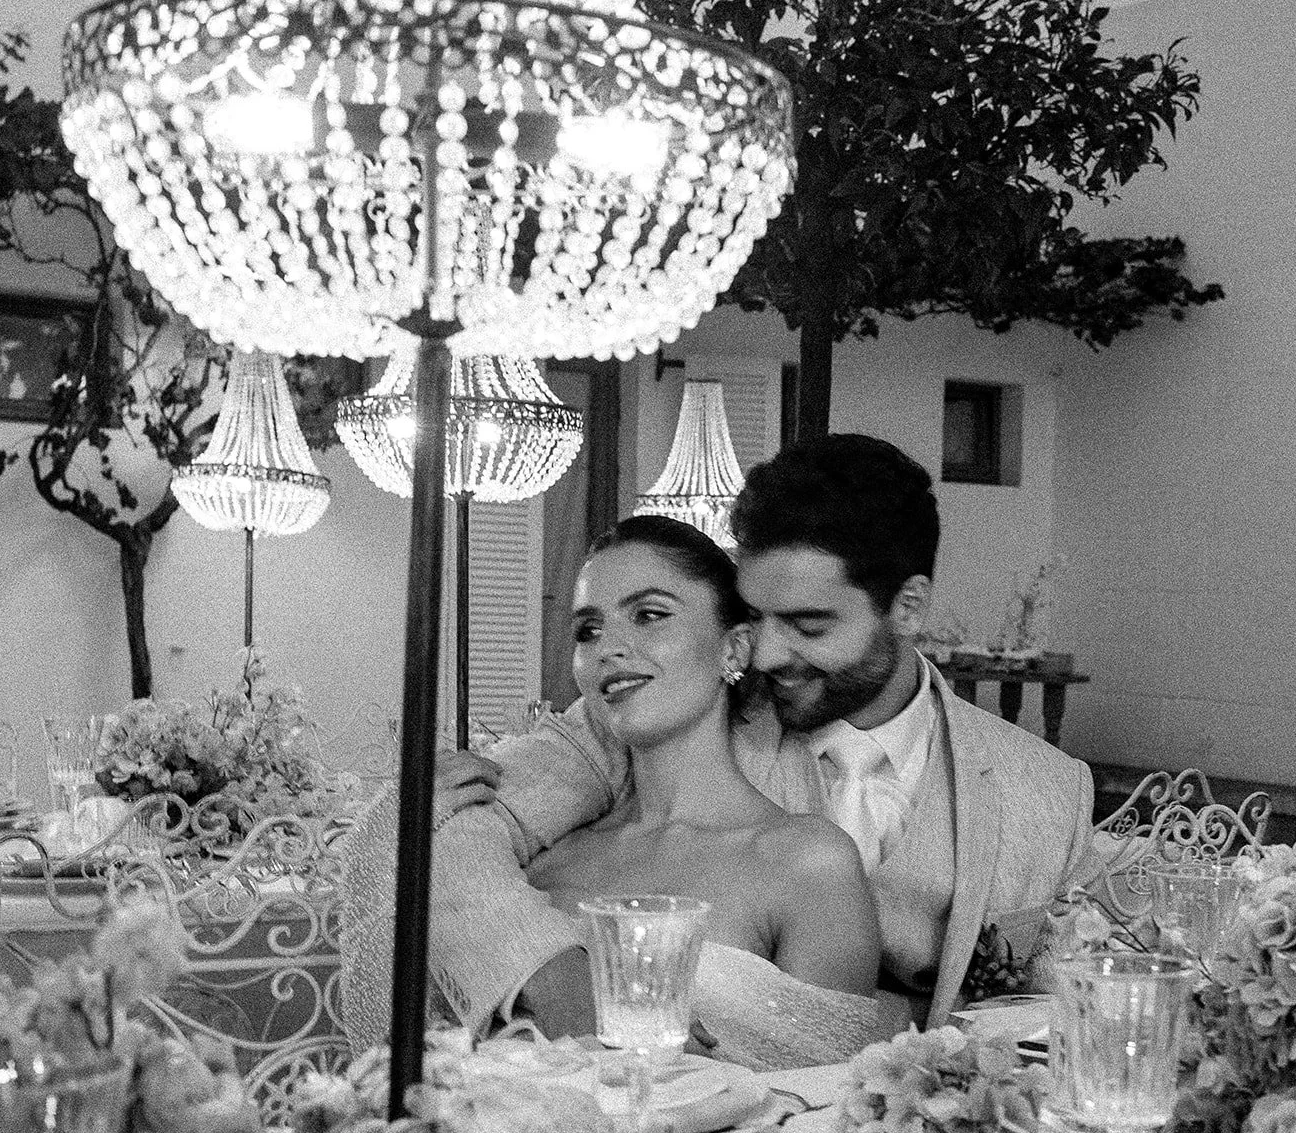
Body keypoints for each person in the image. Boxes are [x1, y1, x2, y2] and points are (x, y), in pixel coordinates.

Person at [418, 433, 1097, 1053]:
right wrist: (559, 982)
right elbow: (447, 831)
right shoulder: (660, 717)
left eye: (808, 624)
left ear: (908, 607)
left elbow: (1061, 1010)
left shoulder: (1046, 791)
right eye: (755, 618)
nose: (767, 654)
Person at [341, 515, 892, 1067]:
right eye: (589, 630)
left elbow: (827, 1103)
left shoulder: (808, 861)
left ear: (735, 649)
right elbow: (408, 1062)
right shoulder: (536, 862)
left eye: (650, 615)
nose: (609, 648)